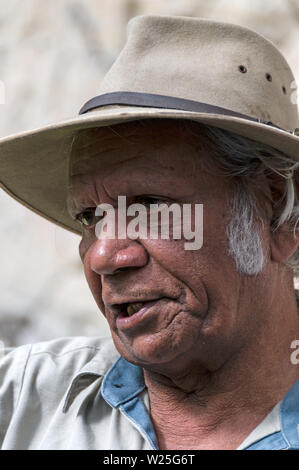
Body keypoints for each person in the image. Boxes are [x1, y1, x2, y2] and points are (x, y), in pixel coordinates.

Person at [0, 15, 299, 450]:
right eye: (89, 217)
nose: (102, 256)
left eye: (149, 206)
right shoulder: (24, 398)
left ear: (275, 216)